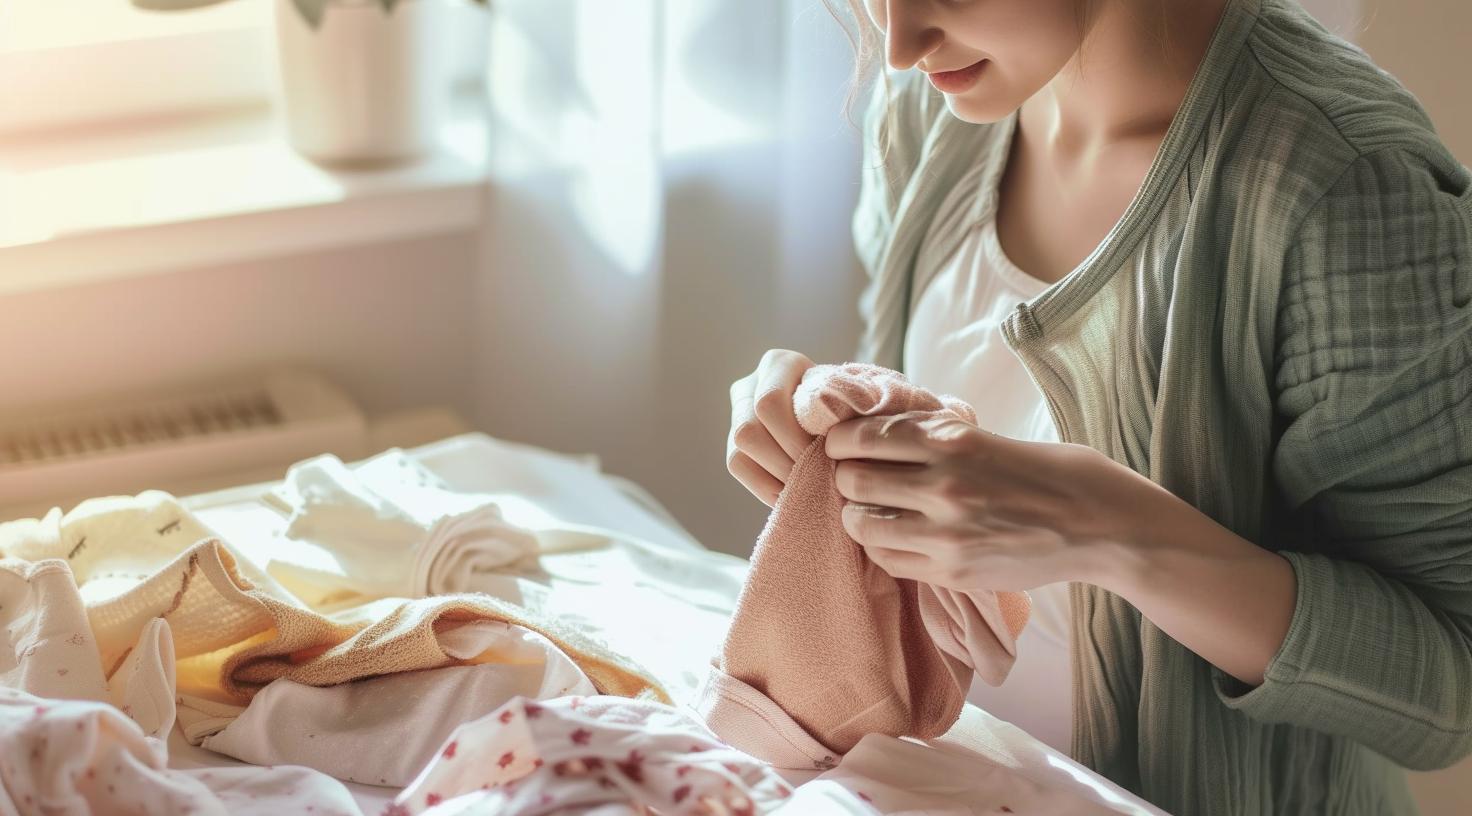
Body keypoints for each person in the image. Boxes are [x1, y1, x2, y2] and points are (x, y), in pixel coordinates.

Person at [724, 1, 1472, 813]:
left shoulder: (1340, 182)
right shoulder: (934, 104)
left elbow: (1447, 690)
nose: (899, 46)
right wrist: (837, 417)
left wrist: (1111, 528)